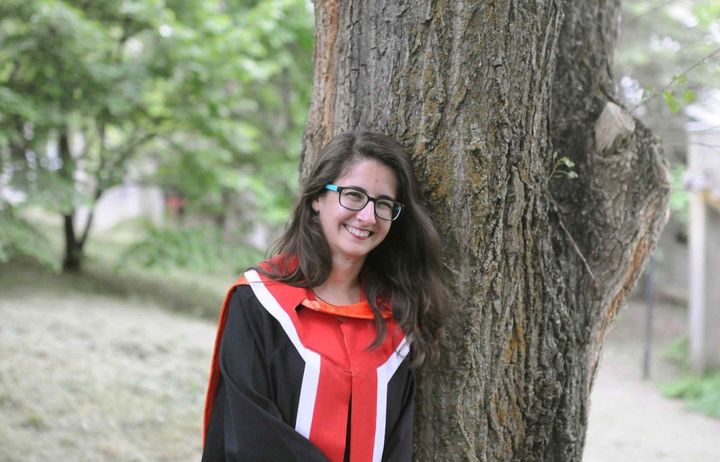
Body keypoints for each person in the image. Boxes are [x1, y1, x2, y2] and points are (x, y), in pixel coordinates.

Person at [201, 131, 448, 462]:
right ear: (318, 198)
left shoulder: (396, 324)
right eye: (353, 195)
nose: (367, 216)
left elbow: (396, 446)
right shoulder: (259, 303)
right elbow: (250, 436)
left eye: (383, 204)